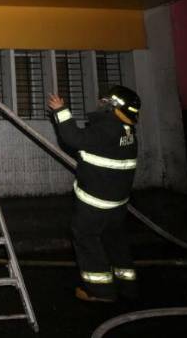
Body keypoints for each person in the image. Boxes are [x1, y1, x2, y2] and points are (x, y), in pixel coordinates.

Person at [48, 85, 141, 303]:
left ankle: (100, 290)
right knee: (114, 240)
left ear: (113, 107)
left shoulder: (107, 129)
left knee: (86, 238)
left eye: (104, 102)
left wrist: (60, 111)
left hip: (96, 203)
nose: (100, 103)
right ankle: (128, 286)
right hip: (117, 204)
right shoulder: (127, 132)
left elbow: (73, 138)